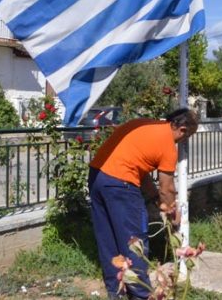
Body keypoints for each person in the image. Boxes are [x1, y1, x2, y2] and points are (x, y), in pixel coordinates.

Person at [88, 108, 199, 300]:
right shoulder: (167, 146)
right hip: (121, 184)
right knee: (134, 240)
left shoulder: (144, 124)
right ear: (182, 129)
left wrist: (155, 197)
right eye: (187, 136)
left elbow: (141, 168)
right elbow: (167, 188)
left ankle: (117, 291)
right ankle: (141, 295)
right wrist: (171, 211)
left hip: (97, 177)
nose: (184, 141)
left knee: (108, 238)